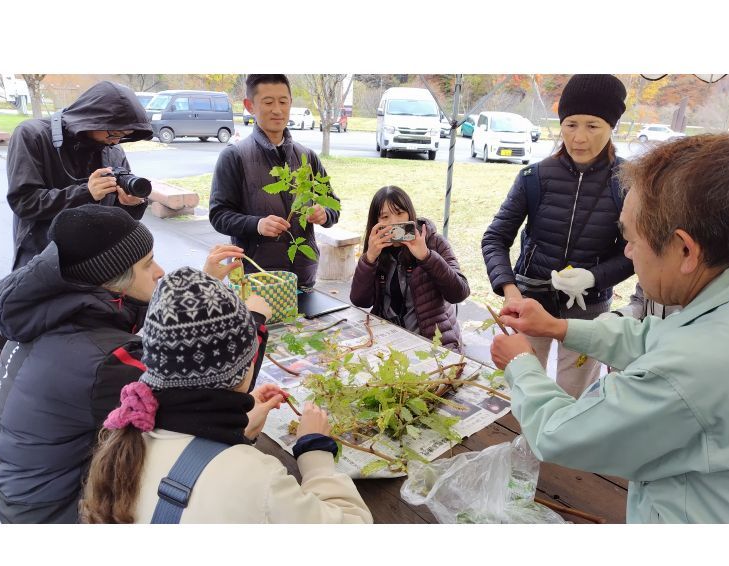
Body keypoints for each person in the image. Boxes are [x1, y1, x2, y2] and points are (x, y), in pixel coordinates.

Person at [491, 134, 729, 523]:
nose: (626, 253)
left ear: (685, 251)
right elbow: (657, 336)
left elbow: (561, 434)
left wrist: (522, 364)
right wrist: (559, 327)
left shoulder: (695, 365)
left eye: (630, 238)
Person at [0, 205, 246, 523]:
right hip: (52, 510)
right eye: (148, 264)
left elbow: (131, 320)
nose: (160, 271)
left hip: (16, 485)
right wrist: (253, 325)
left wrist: (203, 284)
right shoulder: (103, 361)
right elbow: (199, 403)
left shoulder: (48, 308)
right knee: (197, 476)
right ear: (112, 280)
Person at [80, 267, 373, 524]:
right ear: (243, 369)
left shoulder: (121, 447)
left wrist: (239, 432)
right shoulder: (257, 477)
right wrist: (315, 451)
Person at [481, 74, 634, 398]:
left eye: (593, 126)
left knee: (575, 392)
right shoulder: (533, 177)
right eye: (571, 124)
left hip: (589, 310)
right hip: (530, 299)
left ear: (611, 127)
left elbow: (635, 251)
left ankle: (564, 449)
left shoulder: (626, 182)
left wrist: (592, 278)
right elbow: (495, 237)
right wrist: (510, 291)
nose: (579, 137)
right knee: (523, 386)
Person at [209, 74, 341, 289]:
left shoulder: (307, 157)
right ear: (250, 106)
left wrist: (324, 214)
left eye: (283, 101)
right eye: (268, 102)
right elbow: (219, 215)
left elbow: (333, 205)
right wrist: (257, 224)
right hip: (257, 277)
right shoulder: (234, 157)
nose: (277, 110)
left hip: (303, 275)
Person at [6, 80, 154, 270]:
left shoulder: (113, 150)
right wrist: (86, 193)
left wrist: (131, 205)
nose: (117, 140)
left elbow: (117, 216)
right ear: (94, 119)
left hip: (95, 261)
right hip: (43, 259)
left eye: (125, 134)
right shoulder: (33, 135)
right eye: (114, 133)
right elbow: (24, 201)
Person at [350, 186, 470, 351]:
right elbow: (360, 301)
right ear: (376, 222)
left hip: (434, 342)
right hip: (388, 340)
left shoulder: (434, 242)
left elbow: (459, 293)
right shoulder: (377, 248)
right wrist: (369, 259)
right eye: (385, 217)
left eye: (399, 213)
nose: (394, 222)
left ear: (410, 214)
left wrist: (427, 256)